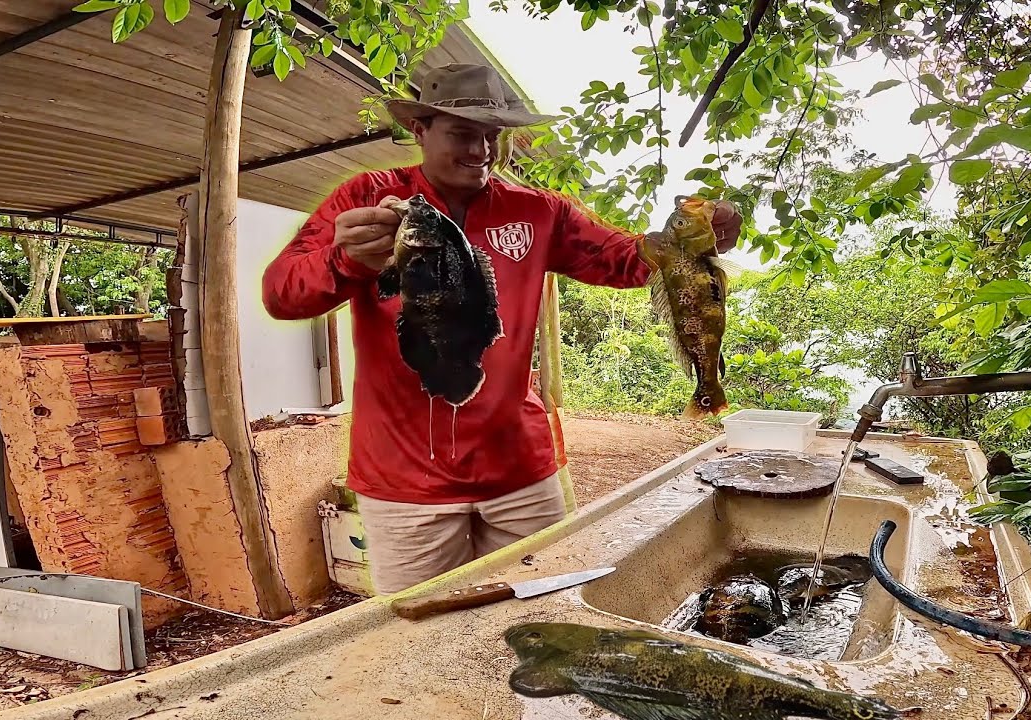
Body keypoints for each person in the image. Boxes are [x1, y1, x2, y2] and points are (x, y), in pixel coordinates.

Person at [262, 63, 742, 596]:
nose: (482, 151)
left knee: (543, 620)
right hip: (404, 483)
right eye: (463, 134)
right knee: (427, 643)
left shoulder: (538, 211)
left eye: (493, 136)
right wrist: (345, 260)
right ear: (420, 130)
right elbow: (281, 293)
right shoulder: (367, 199)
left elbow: (624, 260)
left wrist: (697, 238)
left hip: (522, 474)